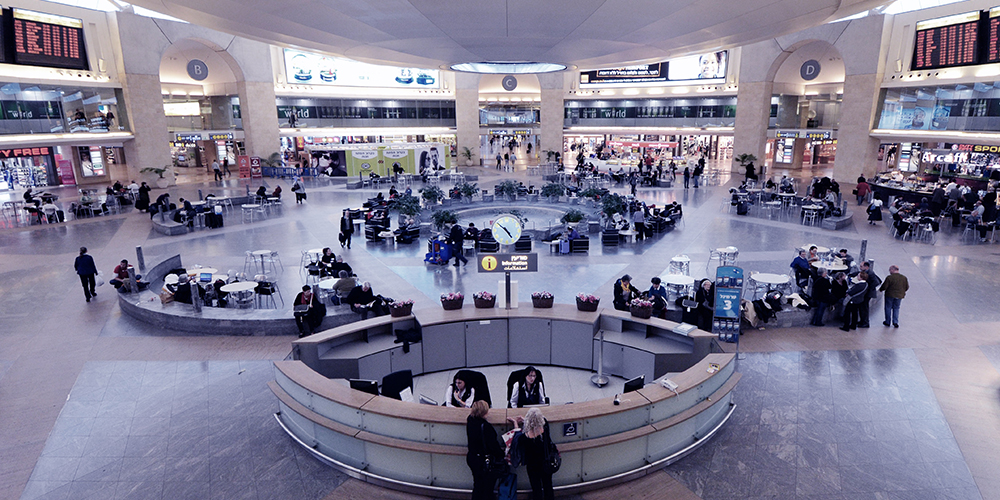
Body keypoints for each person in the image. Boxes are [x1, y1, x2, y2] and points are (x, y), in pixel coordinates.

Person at [508, 408, 556, 500]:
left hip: (533, 466)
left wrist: (515, 423)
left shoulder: (525, 438)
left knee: (536, 488)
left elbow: (517, 434)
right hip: (546, 462)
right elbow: (540, 422)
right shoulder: (545, 427)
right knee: (548, 486)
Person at [466, 400, 504, 500]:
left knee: (478, 486)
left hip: (472, 457)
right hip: (483, 461)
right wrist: (502, 454)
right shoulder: (486, 428)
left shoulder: (470, 421)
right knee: (487, 489)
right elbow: (493, 446)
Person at [857, 261, 881, 328]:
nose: (860, 267)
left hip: (868, 294)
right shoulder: (866, 272)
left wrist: (867, 288)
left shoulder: (870, 273)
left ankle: (865, 322)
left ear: (866, 267)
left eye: (861, 266)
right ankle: (863, 321)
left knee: (864, 307)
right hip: (867, 293)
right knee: (863, 307)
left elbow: (876, 282)